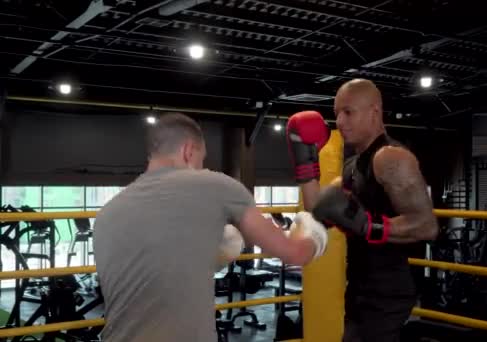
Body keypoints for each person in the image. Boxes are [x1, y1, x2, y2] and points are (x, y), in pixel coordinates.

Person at [93, 112, 328, 342]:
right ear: (188, 151)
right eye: (201, 159)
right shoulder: (215, 186)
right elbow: (297, 253)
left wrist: (228, 240)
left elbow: (162, 270)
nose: (201, 166)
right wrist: (314, 224)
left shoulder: (108, 213)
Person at [286, 79, 439, 342]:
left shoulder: (391, 158)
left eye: (348, 112)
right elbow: (319, 209)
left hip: (388, 290)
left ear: (375, 111)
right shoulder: (352, 165)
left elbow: (427, 226)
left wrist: (368, 225)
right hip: (360, 287)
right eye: (336, 115)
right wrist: (305, 162)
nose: (340, 122)